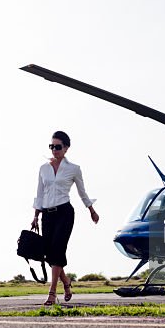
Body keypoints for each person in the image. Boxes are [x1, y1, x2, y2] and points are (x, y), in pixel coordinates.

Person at [32, 130, 98, 305]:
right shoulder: (43, 168)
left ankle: (52, 293)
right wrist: (36, 216)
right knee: (49, 253)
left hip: (64, 213)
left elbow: (82, 191)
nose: (54, 150)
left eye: (58, 147)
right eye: (52, 146)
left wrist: (91, 210)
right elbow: (39, 193)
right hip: (47, 214)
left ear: (66, 148)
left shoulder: (73, 169)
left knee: (58, 250)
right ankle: (66, 282)